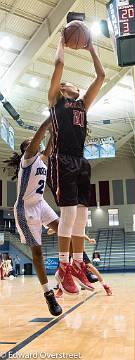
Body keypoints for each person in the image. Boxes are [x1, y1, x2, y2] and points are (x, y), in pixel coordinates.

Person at [47, 29, 105, 295]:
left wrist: (91, 47)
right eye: (65, 83)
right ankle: (63, 267)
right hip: (62, 159)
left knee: (82, 218)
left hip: (81, 162)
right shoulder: (55, 101)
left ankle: (79, 264)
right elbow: (59, 65)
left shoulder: (83, 104)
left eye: (68, 83)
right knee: (68, 215)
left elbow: (101, 76)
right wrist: (61, 42)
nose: (66, 84)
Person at [4, 118, 62, 316]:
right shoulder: (27, 158)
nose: (36, 143)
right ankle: (48, 295)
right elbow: (41, 131)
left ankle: (71, 269)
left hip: (41, 204)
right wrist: (51, 116)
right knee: (37, 253)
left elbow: (52, 143)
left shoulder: (42, 159)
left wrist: (58, 127)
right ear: (27, 148)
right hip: (25, 209)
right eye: (32, 141)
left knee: (65, 230)